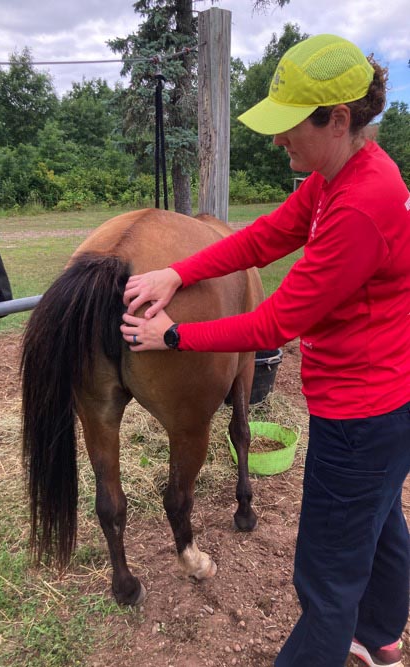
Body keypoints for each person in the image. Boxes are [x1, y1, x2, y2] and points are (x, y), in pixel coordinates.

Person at [120, 34, 410, 667]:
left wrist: (175, 335)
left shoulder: (360, 202)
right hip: (385, 398)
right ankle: (382, 632)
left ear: (337, 120)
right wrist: (179, 271)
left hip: (361, 412)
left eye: (289, 127)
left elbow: (277, 320)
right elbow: (265, 236)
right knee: (381, 520)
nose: (278, 141)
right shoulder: (341, 173)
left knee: (326, 573)